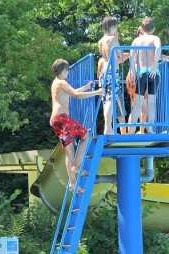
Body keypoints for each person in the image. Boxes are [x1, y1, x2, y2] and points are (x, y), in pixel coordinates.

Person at [51, 58, 104, 193]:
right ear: (63, 71)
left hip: (56, 120)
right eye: (67, 71)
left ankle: (73, 184)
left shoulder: (56, 83)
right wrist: (97, 92)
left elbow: (73, 91)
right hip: (62, 119)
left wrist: (86, 87)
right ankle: (76, 167)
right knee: (86, 136)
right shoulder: (62, 82)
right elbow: (76, 95)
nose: (68, 73)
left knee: (70, 152)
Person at [128, 17, 162, 134]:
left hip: (141, 73)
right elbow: (158, 48)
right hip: (154, 73)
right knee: (152, 102)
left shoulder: (136, 41)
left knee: (137, 103)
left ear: (142, 29)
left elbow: (131, 58)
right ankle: (150, 128)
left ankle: (131, 130)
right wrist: (154, 66)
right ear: (153, 28)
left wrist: (133, 72)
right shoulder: (155, 38)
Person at [97, 16, 129, 134]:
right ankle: (107, 128)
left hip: (104, 74)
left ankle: (108, 127)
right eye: (116, 27)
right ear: (112, 27)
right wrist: (117, 39)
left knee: (106, 100)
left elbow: (109, 58)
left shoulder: (100, 41)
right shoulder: (112, 40)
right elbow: (120, 55)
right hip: (112, 73)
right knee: (111, 99)